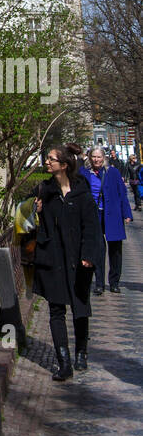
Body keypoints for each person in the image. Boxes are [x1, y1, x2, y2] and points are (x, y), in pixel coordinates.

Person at [33, 145, 101, 380]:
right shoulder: (45, 190)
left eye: (51, 159)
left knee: (80, 307)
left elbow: (91, 227)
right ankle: (64, 363)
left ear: (63, 165)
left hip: (79, 259)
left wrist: (89, 256)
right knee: (56, 309)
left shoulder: (81, 192)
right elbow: (29, 219)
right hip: (54, 259)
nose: (47, 162)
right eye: (47, 159)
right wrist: (37, 211)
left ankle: (81, 351)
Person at [80, 145, 133, 293]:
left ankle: (114, 282)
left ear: (104, 158)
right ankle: (99, 283)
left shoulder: (113, 172)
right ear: (90, 157)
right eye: (94, 156)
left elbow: (122, 193)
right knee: (98, 249)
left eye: (99, 157)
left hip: (113, 214)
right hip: (93, 215)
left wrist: (127, 213)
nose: (96, 159)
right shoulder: (84, 173)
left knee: (115, 249)